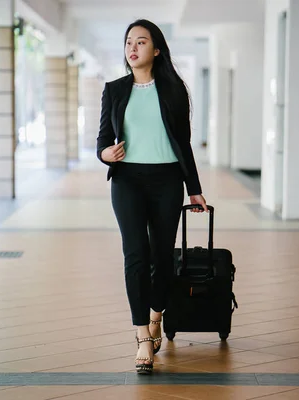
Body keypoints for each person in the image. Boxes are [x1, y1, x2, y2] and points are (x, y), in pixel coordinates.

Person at [96, 19, 208, 374]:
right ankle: (142, 335)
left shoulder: (174, 91)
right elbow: (102, 140)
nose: (133, 48)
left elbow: (184, 144)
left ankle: (157, 313)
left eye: (141, 42)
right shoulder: (114, 90)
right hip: (127, 180)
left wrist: (195, 189)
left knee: (162, 254)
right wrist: (104, 155)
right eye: (129, 41)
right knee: (135, 256)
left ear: (156, 50)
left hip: (166, 181)